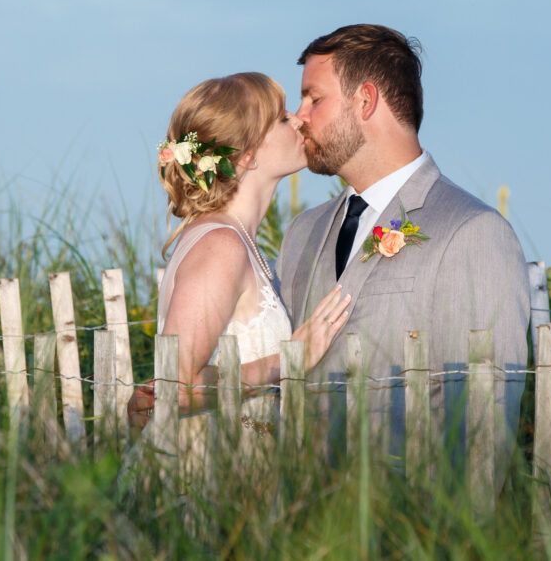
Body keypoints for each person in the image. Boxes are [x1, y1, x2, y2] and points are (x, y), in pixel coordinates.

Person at [275, 24, 530, 478]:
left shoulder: (472, 231)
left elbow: (483, 422)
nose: (299, 117)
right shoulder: (301, 233)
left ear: (365, 101)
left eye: (314, 99)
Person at [127, 72, 351, 432]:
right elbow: (176, 387)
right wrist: (291, 360)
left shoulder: (240, 240)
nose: (298, 120)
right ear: (247, 156)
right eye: (281, 119)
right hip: (203, 475)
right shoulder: (220, 246)